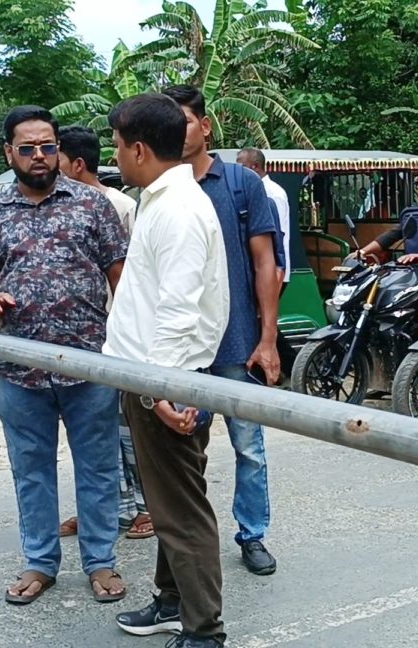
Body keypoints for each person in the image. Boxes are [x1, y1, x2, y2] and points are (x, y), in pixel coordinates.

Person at [0, 105, 129, 605]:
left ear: (60, 149)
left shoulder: (91, 205)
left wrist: (127, 344)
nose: (39, 156)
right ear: (9, 152)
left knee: (99, 467)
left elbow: (121, 275)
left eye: (48, 146)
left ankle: (101, 562)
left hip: (89, 364)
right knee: (30, 469)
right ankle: (40, 561)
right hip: (20, 370)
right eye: (28, 148)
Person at [103, 92, 231, 648]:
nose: (115, 154)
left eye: (115, 144)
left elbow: (178, 311)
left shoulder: (176, 208)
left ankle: (204, 631)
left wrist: (160, 390)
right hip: (151, 377)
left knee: (181, 511)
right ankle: (173, 600)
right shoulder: (161, 197)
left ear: (137, 147)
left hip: (167, 381)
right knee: (168, 500)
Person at [162, 84, 281, 576]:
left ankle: (252, 534)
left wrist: (268, 338)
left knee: (248, 447)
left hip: (236, 344)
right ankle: (193, 541)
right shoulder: (160, 188)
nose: (176, 131)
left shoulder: (239, 184)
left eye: (184, 121)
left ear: (205, 127)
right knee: (187, 452)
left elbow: (264, 263)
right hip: (186, 349)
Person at [56, 125, 153, 541]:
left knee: (129, 426)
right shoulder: (59, 206)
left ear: (77, 165)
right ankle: (106, 507)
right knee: (95, 431)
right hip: (82, 337)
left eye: (57, 159)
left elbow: (131, 273)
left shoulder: (118, 205)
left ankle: (146, 507)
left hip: (118, 333)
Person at [237, 147, 292, 288]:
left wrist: (276, 272)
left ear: (255, 166)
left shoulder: (273, 193)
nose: (238, 172)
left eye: (241, 166)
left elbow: (277, 234)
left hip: (273, 269)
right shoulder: (251, 190)